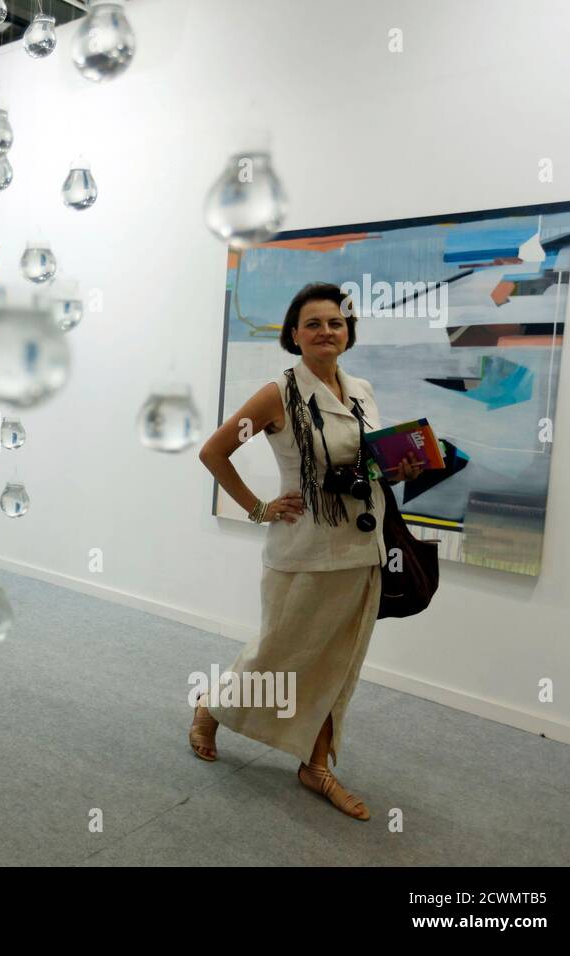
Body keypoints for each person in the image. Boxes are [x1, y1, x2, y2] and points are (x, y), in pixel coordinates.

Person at [191, 282, 424, 821]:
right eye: (313, 323)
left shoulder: (361, 390)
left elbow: (363, 465)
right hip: (303, 550)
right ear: (294, 335)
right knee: (279, 653)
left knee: (339, 665)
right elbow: (214, 450)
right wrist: (258, 507)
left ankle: (316, 764)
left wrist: (397, 468)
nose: (326, 331)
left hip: (362, 545)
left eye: (336, 323)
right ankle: (212, 708)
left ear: (349, 333)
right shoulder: (279, 394)